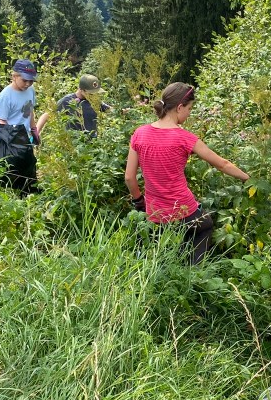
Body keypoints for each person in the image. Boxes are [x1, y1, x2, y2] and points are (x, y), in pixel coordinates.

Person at [125, 82, 250, 264]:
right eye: (189, 108)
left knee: (161, 243)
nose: (189, 113)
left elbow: (129, 177)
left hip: (154, 212)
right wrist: (247, 178)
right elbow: (222, 165)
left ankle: (168, 264)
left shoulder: (140, 133)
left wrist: (139, 202)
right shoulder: (185, 138)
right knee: (205, 226)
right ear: (179, 107)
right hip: (183, 209)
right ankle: (194, 270)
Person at [0, 59, 39, 194]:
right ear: (14, 76)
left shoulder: (30, 90)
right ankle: (7, 194)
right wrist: (13, 140)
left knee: (28, 169)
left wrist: (34, 130)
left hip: (26, 139)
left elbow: (30, 112)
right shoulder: (5, 96)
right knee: (10, 172)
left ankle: (28, 195)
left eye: (31, 81)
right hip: (11, 140)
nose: (28, 84)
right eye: (25, 80)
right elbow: (1, 122)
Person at [36, 74, 111, 138]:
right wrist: (36, 133)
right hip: (76, 143)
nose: (93, 95)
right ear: (81, 90)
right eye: (91, 93)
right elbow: (46, 115)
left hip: (93, 143)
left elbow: (110, 110)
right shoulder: (67, 101)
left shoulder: (94, 100)